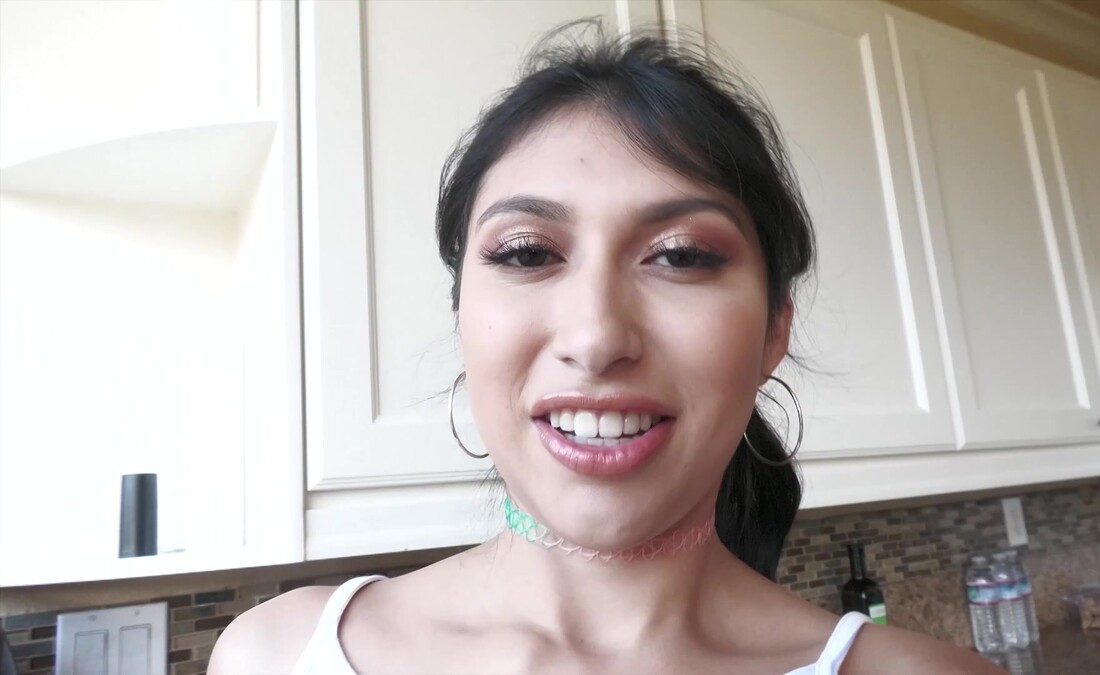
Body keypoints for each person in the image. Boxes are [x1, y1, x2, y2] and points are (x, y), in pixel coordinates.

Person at [210, 22, 1001, 675]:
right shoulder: (278, 654)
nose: (595, 338)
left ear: (773, 330)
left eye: (681, 255)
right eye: (526, 252)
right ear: (462, 323)